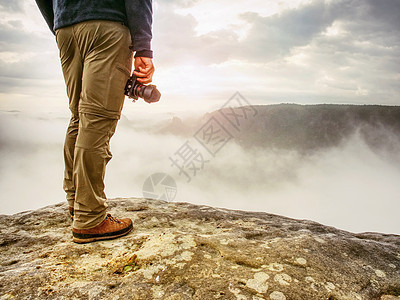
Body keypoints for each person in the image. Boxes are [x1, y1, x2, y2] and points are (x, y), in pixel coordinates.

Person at [35, 0, 155, 243]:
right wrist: (144, 48)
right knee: (97, 120)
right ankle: (90, 217)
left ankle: (76, 201)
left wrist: (60, 24)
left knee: (79, 116)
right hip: (106, 25)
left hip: (67, 29)